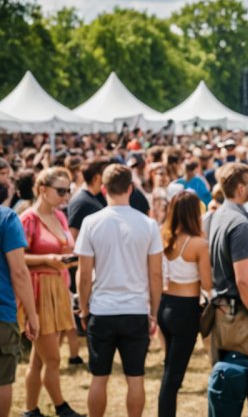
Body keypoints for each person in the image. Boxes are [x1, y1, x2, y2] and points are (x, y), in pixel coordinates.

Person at [75, 164, 163, 417]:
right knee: (135, 377)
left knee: (98, 377)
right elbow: (156, 275)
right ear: (131, 188)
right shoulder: (147, 224)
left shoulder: (91, 222)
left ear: (103, 189)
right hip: (135, 309)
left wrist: (83, 308)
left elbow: (83, 274)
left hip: (102, 309)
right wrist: (154, 312)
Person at [19, 168, 84, 417]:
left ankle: (30, 409)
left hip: (58, 285)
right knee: (53, 359)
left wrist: (66, 259)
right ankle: (60, 406)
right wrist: (49, 258)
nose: (66, 195)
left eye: (68, 190)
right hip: (38, 290)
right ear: (42, 190)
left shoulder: (60, 216)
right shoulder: (28, 219)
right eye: (60, 190)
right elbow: (16, 258)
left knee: (39, 358)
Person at [206, 162, 248, 416]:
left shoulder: (220, 214)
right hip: (238, 314)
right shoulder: (240, 224)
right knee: (237, 379)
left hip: (224, 312)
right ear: (240, 188)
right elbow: (243, 280)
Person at [157, 191, 212, 417]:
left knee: (170, 369)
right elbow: (208, 284)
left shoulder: (163, 236)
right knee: (173, 376)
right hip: (186, 310)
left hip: (165, 304)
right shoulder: (199, 244)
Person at [0, 206, 39, 417]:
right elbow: (19, 271)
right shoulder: (6, 217)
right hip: (2, 314)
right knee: (2, 381)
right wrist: (31, 315)